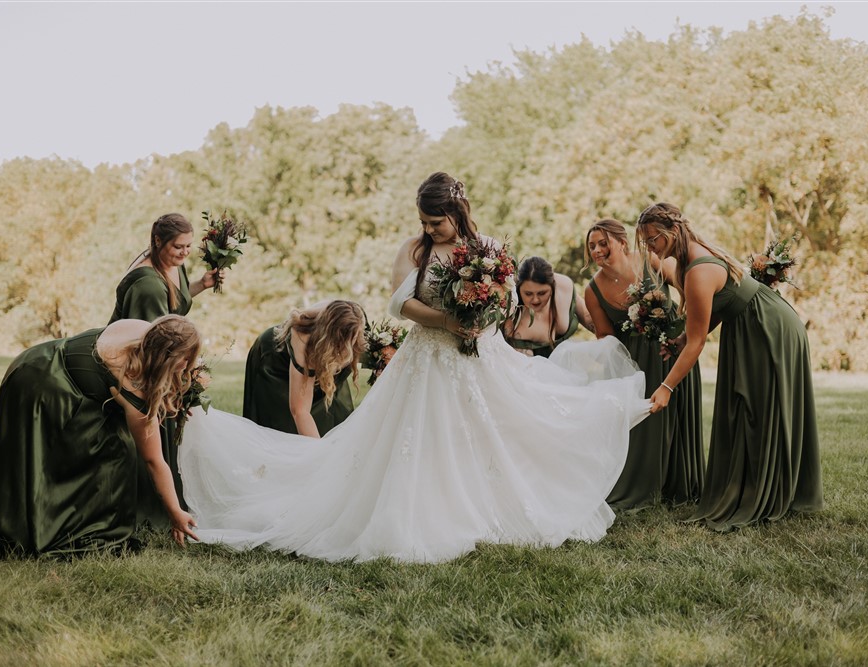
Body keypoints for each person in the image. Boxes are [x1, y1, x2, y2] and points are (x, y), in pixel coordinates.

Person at [176, 172, 650, 563]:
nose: (429, 230)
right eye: (423, 222)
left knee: (490, 431)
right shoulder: (414, 250)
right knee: (417, 436)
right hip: (426, 355)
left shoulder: (485, 247)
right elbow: (400, 303)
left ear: (457, 214)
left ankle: (483, 506)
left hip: (477, 357)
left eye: (436, 223)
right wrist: (447, 319)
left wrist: (478, 320)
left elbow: (503, 298)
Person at [636, 203, 822, 531]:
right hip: (749, 326)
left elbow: (697, 343)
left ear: (673, 232)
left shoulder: (697, 269)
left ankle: (768, 493)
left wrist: (666, 387)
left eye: (654, 239)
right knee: (747, 411)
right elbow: (715, 312)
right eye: (647, 243)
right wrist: (681, 342)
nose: (651, 248)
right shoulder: (688, 258)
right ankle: (758, 485)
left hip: (768, 328)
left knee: (760, 411)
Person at [0, 315, 201, 556]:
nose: (187, 365)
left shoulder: (140, 329)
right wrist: (175, 512)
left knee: (24, 457)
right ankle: (34, 526)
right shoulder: (134, 387)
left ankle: (19, 514)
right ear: (167, 359)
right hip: (43, 389)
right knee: (103, 453)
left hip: (33, 359)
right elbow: (154, 461)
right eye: (186, 359)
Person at [108, 213, 222, 525]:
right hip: (138, 366)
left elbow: (175, 306)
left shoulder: (171, 264)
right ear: (157, 242)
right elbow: (154, 346)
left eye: (188, 246)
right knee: (156, 424)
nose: (185, 252)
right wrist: (184, 381)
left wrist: (200, 284)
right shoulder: (147, 286)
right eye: (178, 246)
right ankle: (154, 508)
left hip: (168, 355)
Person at [584, 219, 704, 510]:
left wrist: (682, 325)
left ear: (621, 242)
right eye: (592, 246)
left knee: (678, 413)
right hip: (637, 362)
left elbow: (687, 286)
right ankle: (643, 488)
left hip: (674, 348)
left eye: (603, 243)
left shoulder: (649, 259)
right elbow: (606, 338)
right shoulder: (592, 291)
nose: (598, 250)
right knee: (646, 425)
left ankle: (679, 487)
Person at [242, 300, 365, 437]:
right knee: (282, 422)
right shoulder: (304, 337)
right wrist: (318, 454)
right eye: (343, 343)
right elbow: (299, 410)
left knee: (328, 416)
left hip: (319, 348)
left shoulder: (355, 317)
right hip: (275, 359)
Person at [503, 256, 593, 358]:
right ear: (519, 289)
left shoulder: (563, 287)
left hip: (568, 362)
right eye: (528, 294)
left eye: (542, 293)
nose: (535, 300)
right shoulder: (510, 316)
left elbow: (587, 317)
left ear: (552, 285)